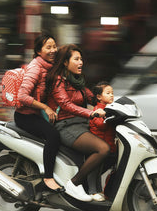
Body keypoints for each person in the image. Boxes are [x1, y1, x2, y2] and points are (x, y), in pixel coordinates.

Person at [46, 44, 110, 202]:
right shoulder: (58, 81)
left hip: (80, 124)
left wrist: (110, 101)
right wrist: (91, 113)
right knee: (102, 149)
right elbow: (66, 104)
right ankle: (74, 184)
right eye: (76, 59)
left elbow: (90, 97)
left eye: (81, 59)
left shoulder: (77, 80)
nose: (81, 62)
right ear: (65, 63)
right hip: (66, 125)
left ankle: (94, 190)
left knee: (111, 147)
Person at [15, 33, 64, 192]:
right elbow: (22, 96)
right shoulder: (36, 67)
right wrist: (45, 108)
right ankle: (48, 178)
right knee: (53, 135)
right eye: (48, 47)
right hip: (25, 116)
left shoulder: (49, 67)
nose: (52, 50)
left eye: (54, 46)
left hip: (35, 114)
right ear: (38, 51)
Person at [87, 81, 117, 200]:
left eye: (112, 93)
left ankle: (99, 191)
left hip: (108, 145)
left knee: (99, 170)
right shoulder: (98, 110)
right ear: (99, 97)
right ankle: (92, 191)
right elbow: (101, 125)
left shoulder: (109, 109)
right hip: (98, 147)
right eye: (108, 93)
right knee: (94, 169)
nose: (111, 95)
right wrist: (105, 116)